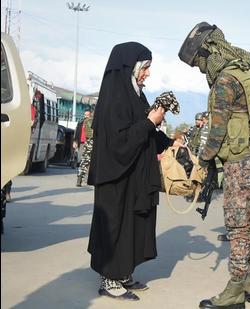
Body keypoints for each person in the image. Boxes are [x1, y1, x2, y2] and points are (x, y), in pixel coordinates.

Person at [179, 22, 250, 309]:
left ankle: (235, 291)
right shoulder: (248, 72)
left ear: (208, 51)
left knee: (237, 227)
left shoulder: (225, 81)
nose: (200, 69)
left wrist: (203, 161)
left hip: (241, 163)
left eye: (199, 63)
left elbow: (218, 130)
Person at [87, 42, 182, 301]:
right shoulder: (114, 97)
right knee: (115, 225)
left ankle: (122, 272)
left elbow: (145, 131)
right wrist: (151, 121)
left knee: (131, 225)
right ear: (131, 67)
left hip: (132, 173)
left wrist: (171, 142)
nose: (148, 74)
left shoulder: (136, 94)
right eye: (145, 68)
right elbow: (119, 140)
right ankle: (109, 277)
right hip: (115, 175)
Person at [74, 109, 93, 187]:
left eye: (88, 115)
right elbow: (77, 132)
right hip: (88, 143)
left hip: (88, 143)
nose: (86, 116)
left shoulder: (88, 122)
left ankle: (80, 178)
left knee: (84, 162)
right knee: (85, 161)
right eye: (85, 115)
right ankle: (82, 178)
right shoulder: (83, 122)